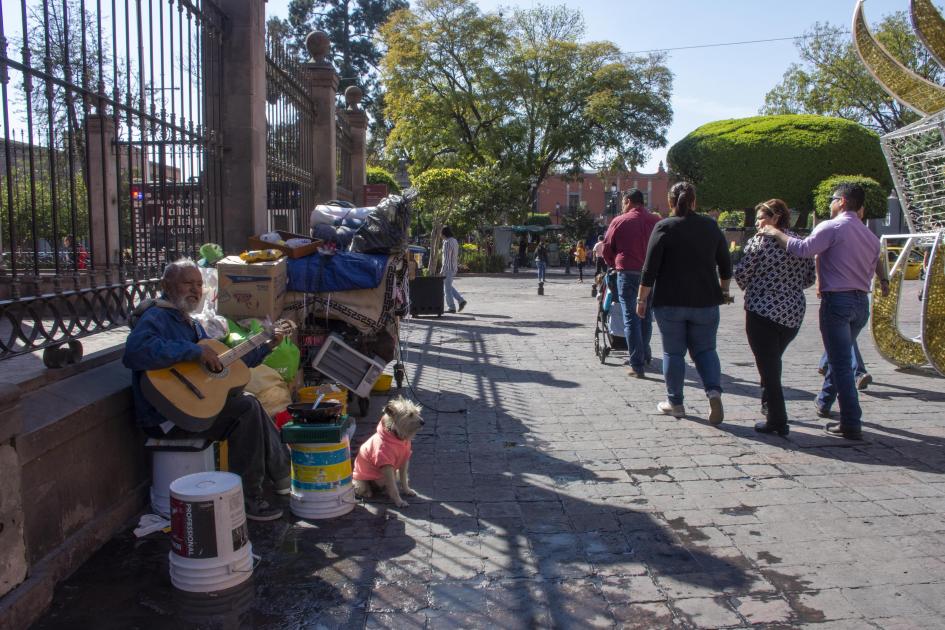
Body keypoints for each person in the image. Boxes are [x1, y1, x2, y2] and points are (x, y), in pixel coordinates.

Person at [122, 259, 290, 521]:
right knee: (246, 408)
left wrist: (266, 345)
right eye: (187, 283)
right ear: (167, 285)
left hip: (192, 408)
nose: (195, 290)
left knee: (248, 402)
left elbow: (228, 364)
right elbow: (134, 352)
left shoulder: (192, 323)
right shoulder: (156, 316)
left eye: (199, 284)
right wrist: (194, 350)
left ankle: (279, 477)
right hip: (165, 417)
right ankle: (253, 494)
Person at [760, 183, 888, 440]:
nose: (830, 204)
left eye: (832, 200)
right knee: (836, 356)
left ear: (841, 202)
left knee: (840, 363)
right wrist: (884, 282)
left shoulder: (832, 227)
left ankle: (851, 420)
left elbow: (802, 249)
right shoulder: (870, 236)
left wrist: (775, 232)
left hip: (838, 301)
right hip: (861, 303)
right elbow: (879, 262)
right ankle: (824, 401)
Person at [636, 181, 732, 424]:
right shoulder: (710, 226)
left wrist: (641, 299)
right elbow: (725, 263)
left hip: (670, 301)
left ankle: (675, 403)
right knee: (706, 350)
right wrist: (724, 290)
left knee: (673, 352)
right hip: (705, 300)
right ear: (694, 201)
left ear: (670, 202)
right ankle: (713, 391)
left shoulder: (664, 227)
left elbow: (650, 270)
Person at [734, 200, 816, 436]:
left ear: (776, 218)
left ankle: (777, 419)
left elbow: (742, 275)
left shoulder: (760, 242)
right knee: (771, 362)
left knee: (769, 367)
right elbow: (810, 278)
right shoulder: (798, 242)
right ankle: (768, 405)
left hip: (762, 311)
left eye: (761, 217)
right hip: (792, 313)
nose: (758, 222)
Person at [603, 188, 661, 378]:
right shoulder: (656, 221)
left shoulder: (619, 221)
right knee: (646, 314)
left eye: (623, 201)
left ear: (628, 201)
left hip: (627, 272)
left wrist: (614, 264)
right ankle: (644, 354)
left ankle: (637, 364)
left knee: (631, 317)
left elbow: (607, 248)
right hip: (651, 274)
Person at [441, 226, 467, 313]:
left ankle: (452, 307)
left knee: (447, 289)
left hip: (448, 268)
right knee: (448, 286)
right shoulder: (454, 241)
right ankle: (461, 301)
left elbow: (447, 258)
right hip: (453, 267)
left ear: (444, 234)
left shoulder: (447, 242)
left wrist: (442, 270)